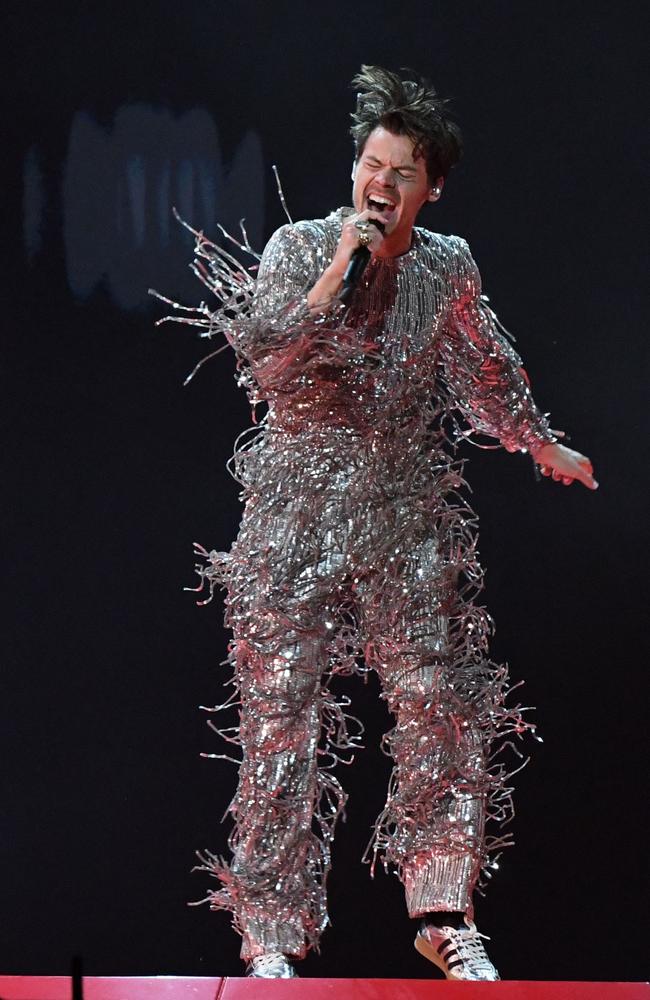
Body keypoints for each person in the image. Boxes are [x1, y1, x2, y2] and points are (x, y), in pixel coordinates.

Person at [163, 65, 597, 980]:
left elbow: (486, 364)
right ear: (355, 169)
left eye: (403, 172)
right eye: (372, 163)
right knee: (281, 717)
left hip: (403, 516)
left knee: (441, 704)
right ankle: (271, 939)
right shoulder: (300, 245)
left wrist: (535, 440)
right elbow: (270, 362)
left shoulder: (448, 265)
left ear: (429, 186)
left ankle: (443, 912)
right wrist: (337, 268)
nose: (381, 183)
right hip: (296, 516)